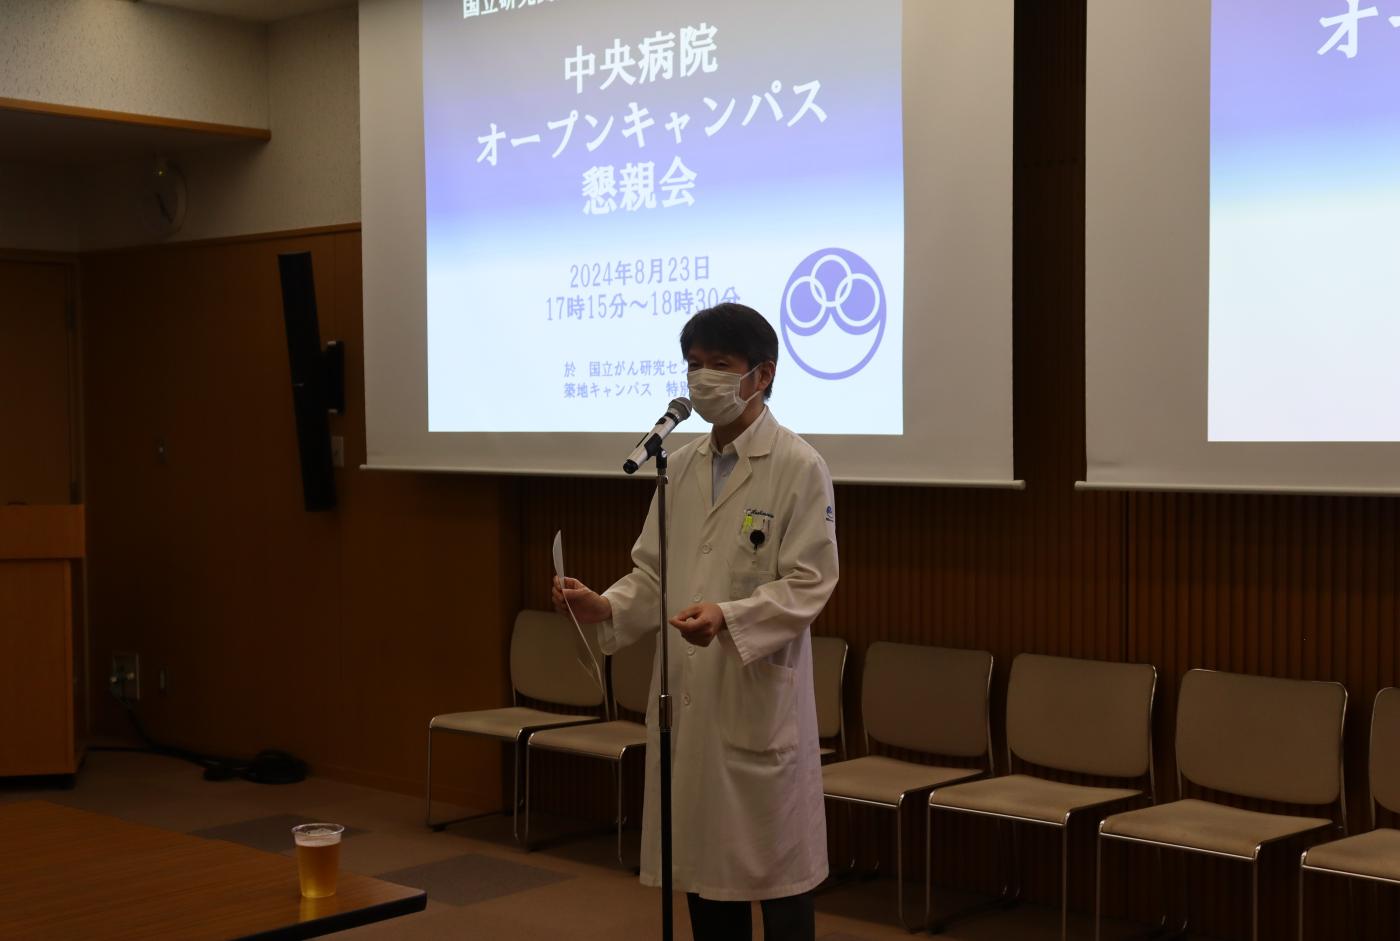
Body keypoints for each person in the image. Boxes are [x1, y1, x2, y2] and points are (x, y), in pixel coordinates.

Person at [552, 303, 839, 941]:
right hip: (689, 697)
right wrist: (605, 605)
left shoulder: (797, 466)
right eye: (694, 364)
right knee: (704, 871)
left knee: (777, 874)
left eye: (720, 364)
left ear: (762, 374)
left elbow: (810, 581)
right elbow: (655, 573)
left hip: (753, 694)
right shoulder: (678, 467)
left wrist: (729, 618)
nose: (702, 377)